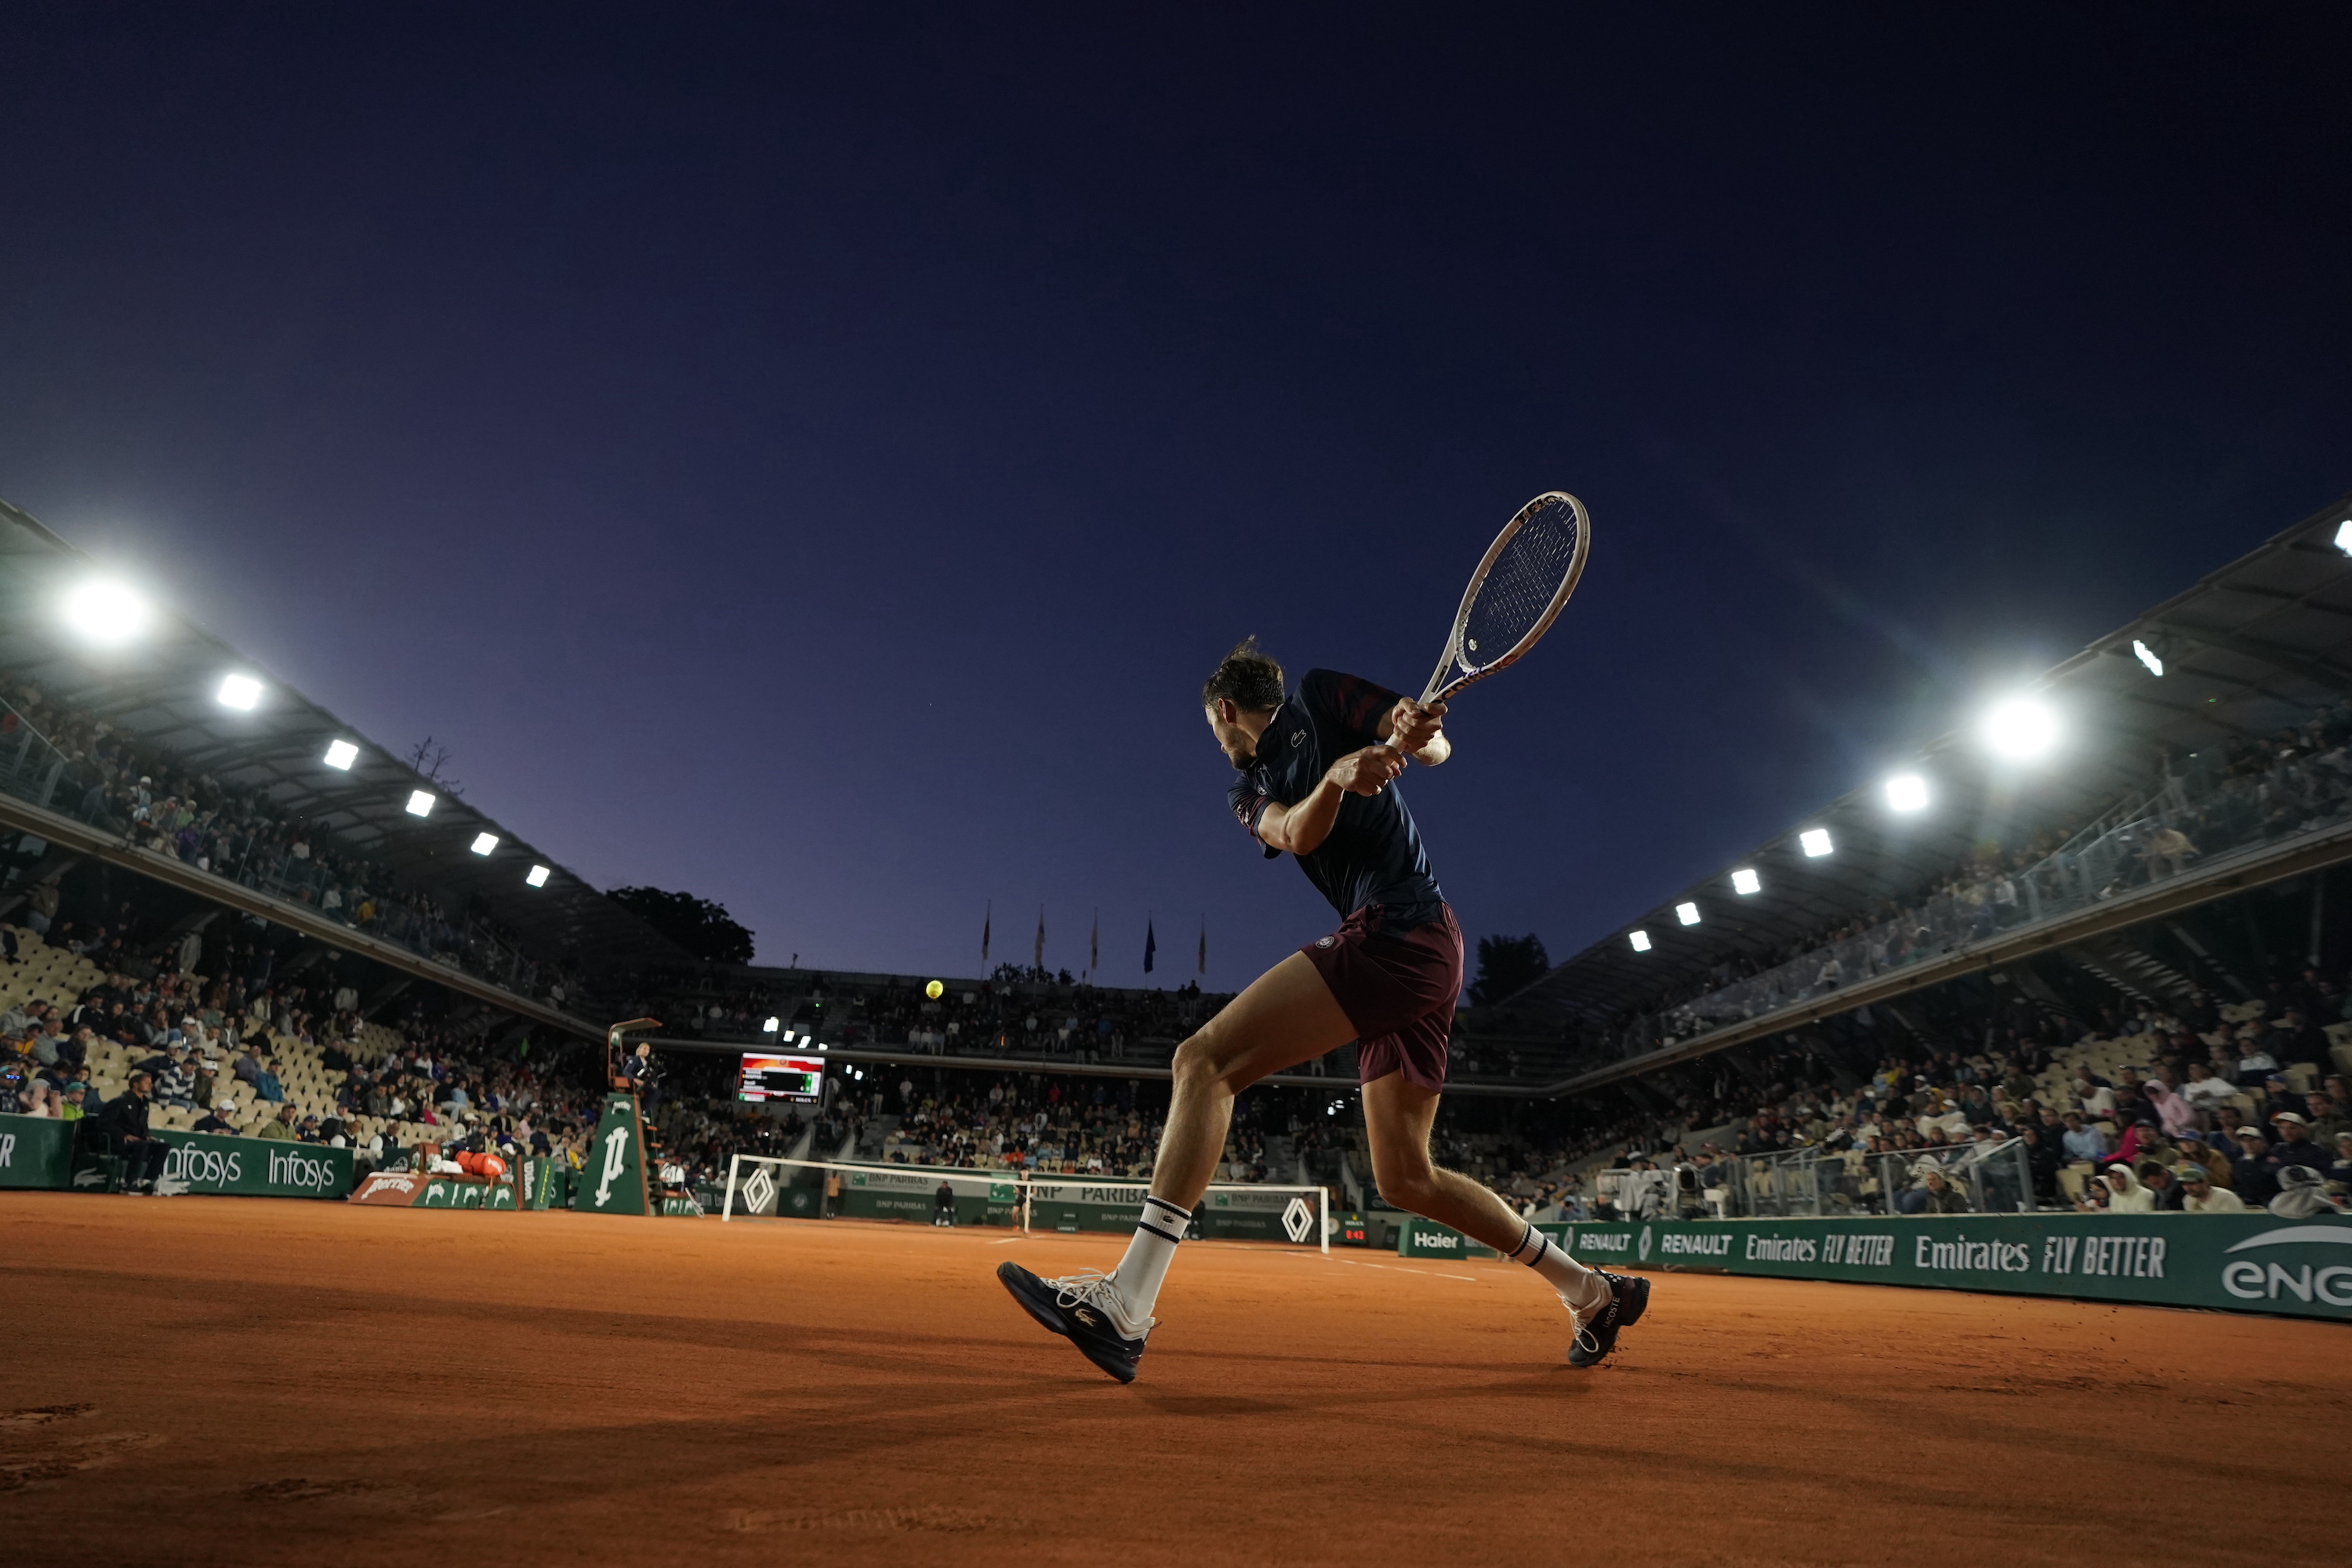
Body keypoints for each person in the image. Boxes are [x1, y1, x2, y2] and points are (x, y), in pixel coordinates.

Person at [996, 641, 1637, 1383]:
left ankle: (1126, 1303)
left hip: (1402, 930)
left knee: (1202, 1062)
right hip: (1418, 949)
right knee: (1405, 1180)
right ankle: (1593, 1293)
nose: (1217, 743)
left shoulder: (1324, 696)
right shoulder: (1249, 790)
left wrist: (1415, 732)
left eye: (1213, 729)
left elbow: (1436, 749)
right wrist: (1336, 778)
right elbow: (1297, 831)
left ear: (1226, 711)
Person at [96, 1070, 170, 1193]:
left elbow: (143, 1124)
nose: (150, 1085)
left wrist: (146, 1135)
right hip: (118, 1141)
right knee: (142, 1146)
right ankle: (130, 1182)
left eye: (150, 1083)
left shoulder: (145, 1102)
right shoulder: (120, 1101)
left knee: (163, 1147)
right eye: (146, 1083)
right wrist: (123, 1135)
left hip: (138, 1141)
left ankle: (147, 1181)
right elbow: (104, 1122)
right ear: (135, 1084)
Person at [2177, 1165, 2247, 1213]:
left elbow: (2233, 1221)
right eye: (2184, 1184)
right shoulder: (2188, 1199)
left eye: (2192, 1183)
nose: (2188, 1188)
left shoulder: (2224, 1197)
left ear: (2205, 1183)